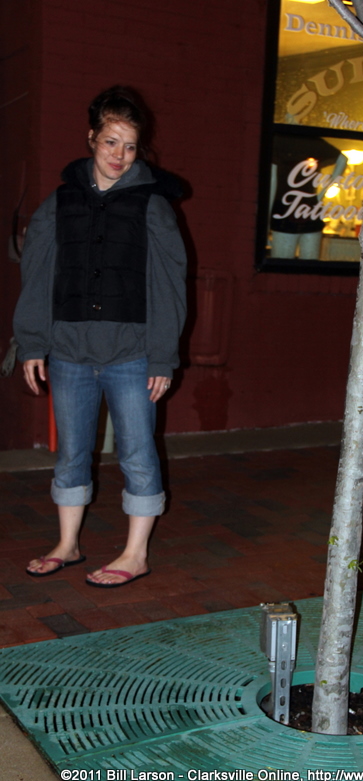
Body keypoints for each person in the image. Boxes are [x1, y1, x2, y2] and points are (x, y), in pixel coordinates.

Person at [13, 86, 187, 587]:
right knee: (71, 451)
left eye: (130, 146)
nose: (119, 155)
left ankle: (135, 554)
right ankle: (67, 544)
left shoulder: (153, 204)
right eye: (111, 142)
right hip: (69, 351)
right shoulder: (61, 201)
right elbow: (37, 273)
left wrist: (162, 356)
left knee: (137, 452)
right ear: (91, 138)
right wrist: (32, 342)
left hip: (132, 354)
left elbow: (169, 283)